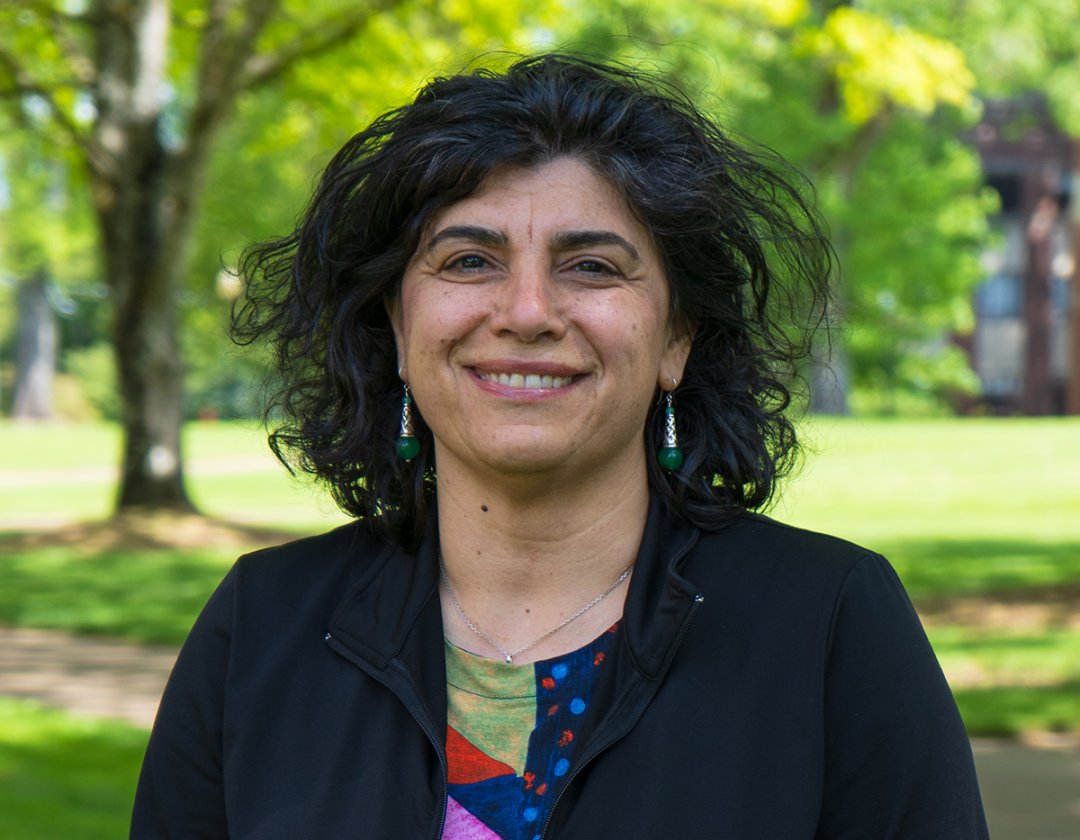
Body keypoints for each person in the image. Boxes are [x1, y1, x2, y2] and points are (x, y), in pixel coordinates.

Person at [131, 54, 989, 838]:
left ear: (677, 337)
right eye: (469, 261)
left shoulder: (830, 625)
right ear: (396, 326)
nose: (528, 312)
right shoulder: (262, 628)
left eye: (592, 267)